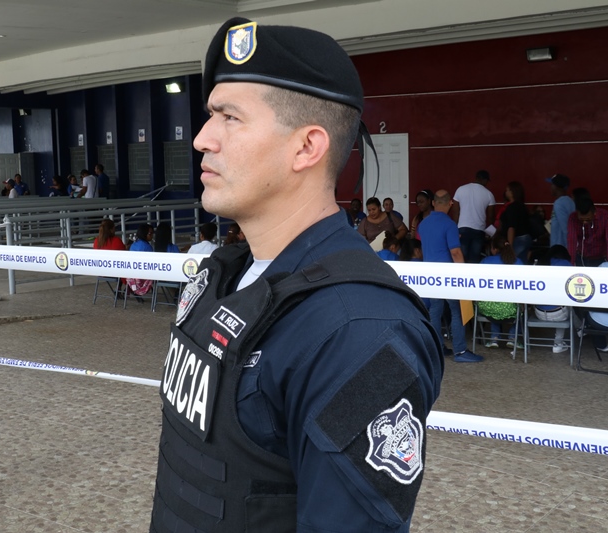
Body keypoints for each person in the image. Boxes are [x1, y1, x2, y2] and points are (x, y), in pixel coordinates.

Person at [149, 17, 443, 533]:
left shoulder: (357, 331)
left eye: (230, 118)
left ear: (306, 147)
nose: (201, 139)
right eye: (210, 115)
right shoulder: (224, 275)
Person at [419, 189, 482, 362]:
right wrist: (462, 274)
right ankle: (460, 351)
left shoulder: (423, 224)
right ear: (450, 203)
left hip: (430, 274)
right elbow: (455, 252)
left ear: (433, 203)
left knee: (435, 309)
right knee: (457, 310)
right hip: (448, 275)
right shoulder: (450, 225)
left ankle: (437, 348)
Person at [477, 232, 524, 349]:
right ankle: (512, 338)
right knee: (522, 306)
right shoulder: (518, 262)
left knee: (493, 298)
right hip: (511, 309)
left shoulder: (485, 261)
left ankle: (494, 337)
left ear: (494, 249)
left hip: (487, 307)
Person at [533, 245, 572, 353]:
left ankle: (580, 330)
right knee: (573, 302)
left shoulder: (541, 263)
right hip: (558, 314)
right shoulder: (566, 264)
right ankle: (558, 343)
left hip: (539, 312)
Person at [451, 170, 496, 263]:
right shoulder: (489, 194)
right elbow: (491, 217)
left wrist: (455, 228)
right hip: (479, 230)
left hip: (462, 229)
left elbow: (455, 212)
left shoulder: (461, 189)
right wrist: (490, 232)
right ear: (484, 180)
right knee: (474, 259)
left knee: (462, 258)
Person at [567, 194, 608, 266]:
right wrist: (571, 264)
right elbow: (571, 241)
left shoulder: (606, 217)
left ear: (594, 212)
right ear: (577, 212)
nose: (585, 222)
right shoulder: (572, 218)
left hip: (601, 259)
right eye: (581, 220)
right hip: (580, 258)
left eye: (588, 219)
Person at [500, 181, 532, 263]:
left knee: (513, 262)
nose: (506, 192)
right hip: (526, 237)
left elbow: (511, 227)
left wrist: (510, 246)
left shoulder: (512, 207)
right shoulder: (523, 206)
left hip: (517, 239)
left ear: (512, 192)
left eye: (507, 190)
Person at [547, 174, 575, 248]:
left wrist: (569, 249)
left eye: (552, 184)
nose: (550, 187)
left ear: (556, 187)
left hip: (559, 248)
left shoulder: (559, 203)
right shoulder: (570, 201)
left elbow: (566, 229)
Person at [127, 222, 153, 295]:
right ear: (144, 234)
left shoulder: (133, 245)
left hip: (131, 276)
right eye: (150, 233)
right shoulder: (147, 247)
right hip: (143, 275)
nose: (152, 235)